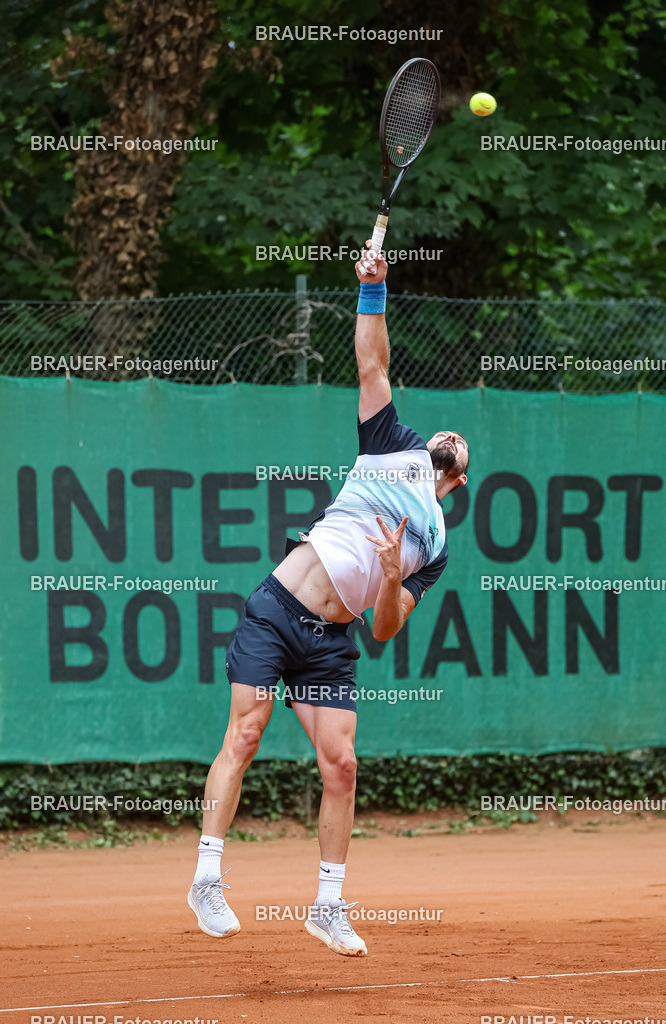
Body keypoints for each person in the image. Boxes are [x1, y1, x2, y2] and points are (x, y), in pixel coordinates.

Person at [188, 241, 469, 957]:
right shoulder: (390, 442)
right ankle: (207, 879)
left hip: (330, 641)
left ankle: (327, 905)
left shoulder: (431, 548)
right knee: (244, 734)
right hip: (279, 607)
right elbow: (370, 362)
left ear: (458, 479)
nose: (450, 437)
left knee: (341, 767)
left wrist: (382, 576)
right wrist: (372, 288)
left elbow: (385, 630)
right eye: (447, 432)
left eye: (462, 446)